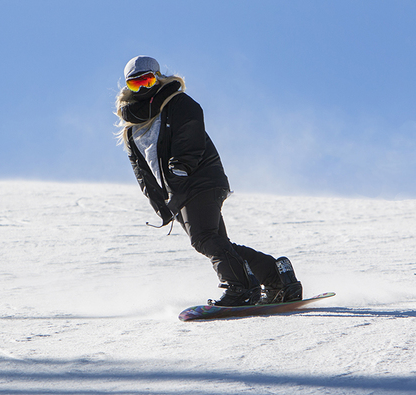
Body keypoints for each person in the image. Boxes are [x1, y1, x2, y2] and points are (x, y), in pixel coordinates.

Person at [115, 55, 302, 306]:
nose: (144, 88)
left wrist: (181, 165)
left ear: (158, 78)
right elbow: (143, 173)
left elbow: (190, 132)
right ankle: (277, 277)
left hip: (199, 178)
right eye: (136, 84)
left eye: (148, 81)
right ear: (128, 87)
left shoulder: (178, 102)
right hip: (178, 191)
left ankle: (241, 288)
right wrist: (161, 204)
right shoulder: (131, 129)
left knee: (204, 239)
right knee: (217, 242)